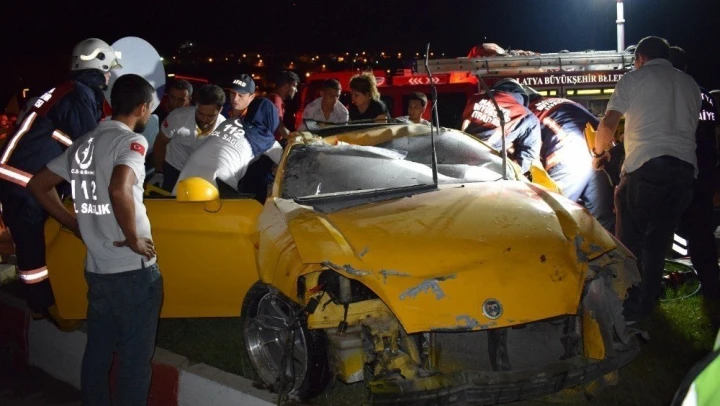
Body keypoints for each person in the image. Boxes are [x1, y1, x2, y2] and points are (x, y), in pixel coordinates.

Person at [27, 73, 161, 406]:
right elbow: (119, 187)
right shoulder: (131, 142)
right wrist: (133, 238)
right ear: (142, 108)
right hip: (131, 271)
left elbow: (38, 185)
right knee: (134, 360)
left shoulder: (84, 143)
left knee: (97, 352)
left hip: (97, 269)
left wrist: (73, 223)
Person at [0, 38, 120, 330]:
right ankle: (42, 306)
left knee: (39, 241)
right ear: (100, 69)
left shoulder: (70, 91)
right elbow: (89, 147)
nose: (109, 77)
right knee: (31, 248)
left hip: (24, 177)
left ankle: (48, 296)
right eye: (108, 71)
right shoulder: (78, 95)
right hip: (23, 182)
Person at [593, 36, 701, 323]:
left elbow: (608, 123)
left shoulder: (634, 79)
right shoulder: (690, 84)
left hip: (646, 167)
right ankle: (647, 308)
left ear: (640, 58)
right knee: (657, 243)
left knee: (629, 242)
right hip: (684, 172)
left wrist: (598, 152)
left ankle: (627, 308)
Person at [669, 46, 720, 299]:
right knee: (702, 231)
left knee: (663, 226)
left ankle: (652, 286)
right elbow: (716, 135)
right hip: (706, 171)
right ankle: (711, 285)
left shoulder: (671, 93)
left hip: (680, 169)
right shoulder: (705, 95)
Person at [527, 89, 616, 232]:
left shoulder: (527, 111)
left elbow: (525, 153)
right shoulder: (566, 102)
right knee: (602, 221)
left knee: (554, 216)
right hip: (595, 152)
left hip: (565, 155)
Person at [174, 97, 282, 195]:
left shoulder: (230, 121)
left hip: (192, 165)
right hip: (220, 175)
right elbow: (286, 162)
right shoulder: (267, 141)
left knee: (180, 204)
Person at [151, 84, 226, 192]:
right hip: (172, 169)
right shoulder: (177, 116)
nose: (204, 119)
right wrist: (159, 172)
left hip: (201, 174)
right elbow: (160, 142)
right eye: (200, 113)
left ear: (220, 110)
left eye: (210, 116)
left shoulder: (224, 128)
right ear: (196, 105)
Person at [460, 78, 541, 174]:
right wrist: (515, 174)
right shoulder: (527, 116)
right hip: (488, 168)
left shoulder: (474, 99)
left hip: (460, 157)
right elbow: (528, 154)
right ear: (522, 96)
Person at [264, 70, 300, 140]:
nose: (296, 90)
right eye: (294, 86)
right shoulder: (276, 100)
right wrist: (296, 139)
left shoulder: (271, 98)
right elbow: (280, 127)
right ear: (286, 87)